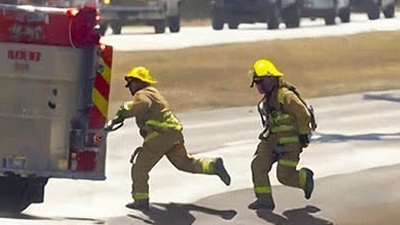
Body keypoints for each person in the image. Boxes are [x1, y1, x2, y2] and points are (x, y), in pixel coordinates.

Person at [107, 66, 231, 212]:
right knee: (184, 163)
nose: (128, 86)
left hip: (161, 136)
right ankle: (213, 165)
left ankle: (140, 200)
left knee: (140, 168)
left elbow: (142, 106)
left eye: (131, 82)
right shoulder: (154, 93)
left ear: (140, 82)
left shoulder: (143, 94)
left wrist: (123, 112)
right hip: (173, 134)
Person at [248, 58, 315, 210]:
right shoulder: (268, 99)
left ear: (271, 79)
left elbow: (303, 114)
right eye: (257, 82)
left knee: (284, 176)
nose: (258, 86)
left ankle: (305, 179)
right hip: (272, 141)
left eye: (260, 81)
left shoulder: (285, 96)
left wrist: (304, 136)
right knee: (258, 165)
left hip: (290, 144)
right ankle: (265, 201)